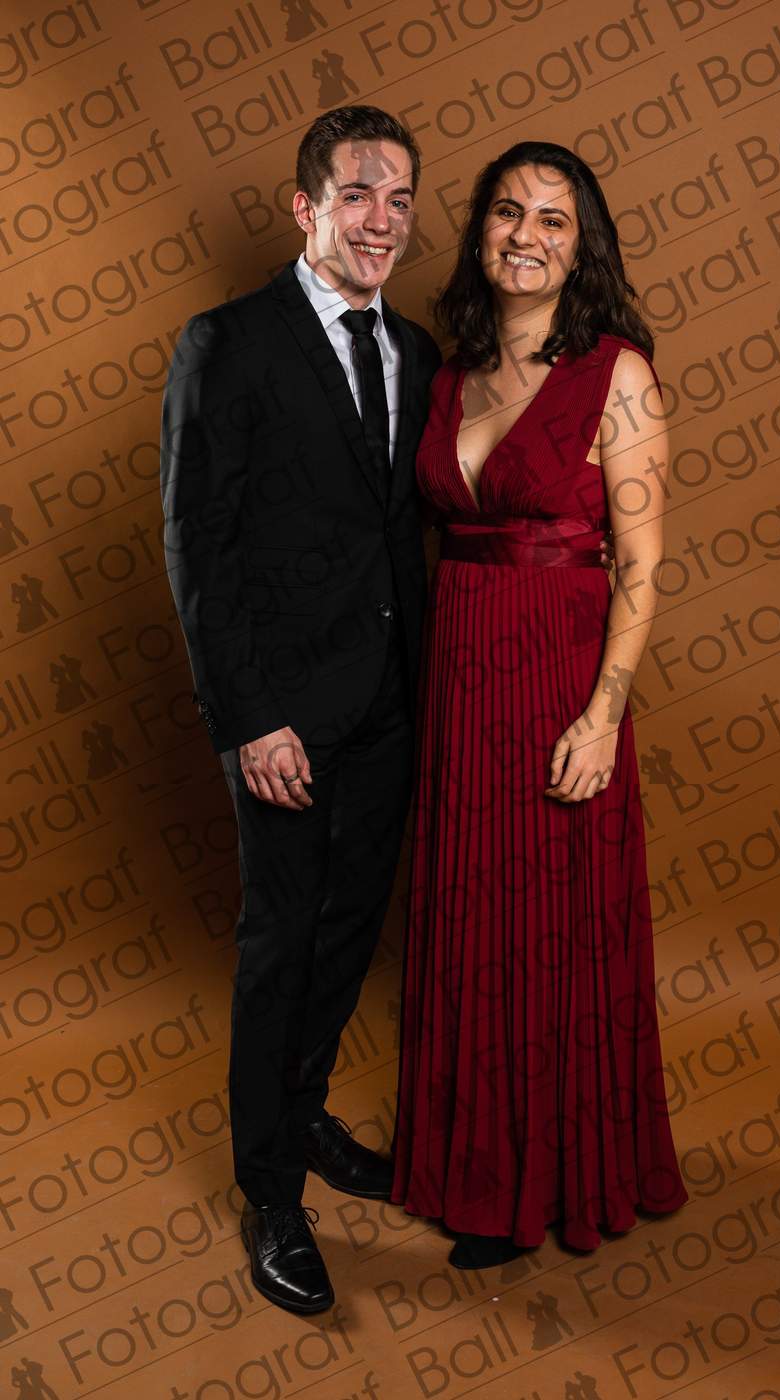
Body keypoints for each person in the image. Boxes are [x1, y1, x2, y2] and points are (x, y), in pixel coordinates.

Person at [159, 106, 445, 1317]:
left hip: (388, 705)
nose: (380, 219)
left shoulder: (416, 349)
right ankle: (272, 1191)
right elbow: (197, 543)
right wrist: (249, 717)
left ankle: (306, 1109)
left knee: (346, 932)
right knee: (281, 941)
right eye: (355, 194)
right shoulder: (227, 343)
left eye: (398, 197)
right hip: (281, 715)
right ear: (305, 207)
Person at [390, 140, 689, 1267]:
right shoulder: (448, 372)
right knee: (469, 923)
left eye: (553, 220)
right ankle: (464, 1163)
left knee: (549, 932)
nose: (526, 235)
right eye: (507, 212)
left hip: (562, 682)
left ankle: (547, 1178)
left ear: (582, 247)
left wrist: (602, 715)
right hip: (459, 684)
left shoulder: (617, 373)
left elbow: (642, 563)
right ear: (481, 232)